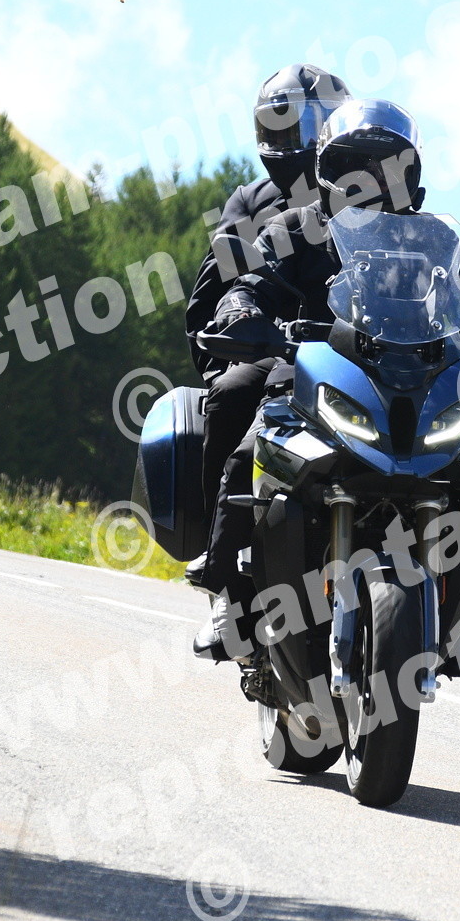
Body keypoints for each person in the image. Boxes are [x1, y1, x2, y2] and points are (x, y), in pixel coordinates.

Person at [192, 98, 460, 661]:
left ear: (410, 179)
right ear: (326, 173)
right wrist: (242, 309)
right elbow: (255, 279)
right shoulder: (295, 228)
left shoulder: (431, 242)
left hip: (416, 379)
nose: (367, 182)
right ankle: (229, 591)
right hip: (317, 368)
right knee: (248, 439)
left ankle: (450, 608)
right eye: (351, 167)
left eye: (384, 169)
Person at [182, 65, 349, 587]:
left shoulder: (368, 196)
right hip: (279, 350)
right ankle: (221, 557)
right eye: (276, 126)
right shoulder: (253, 202)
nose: (288, 140)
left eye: (301, 126)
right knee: (232, 393)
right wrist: (236, 340)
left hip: (368, 356)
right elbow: (221, 286)